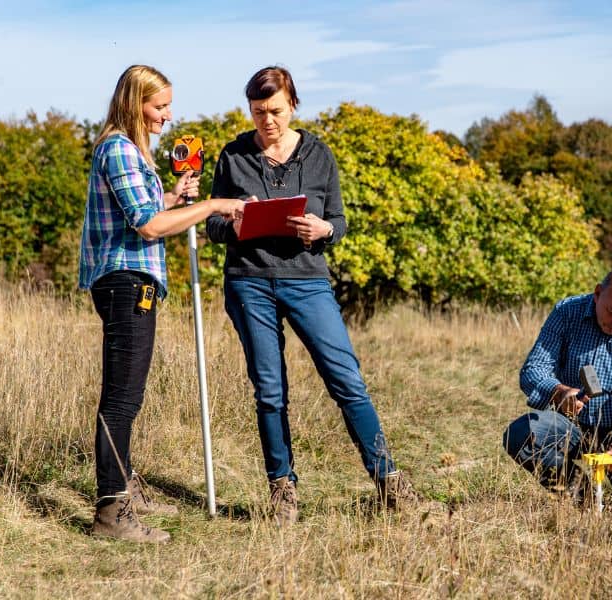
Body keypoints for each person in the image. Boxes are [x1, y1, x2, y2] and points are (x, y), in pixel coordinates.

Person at [205, 65, 415, 525]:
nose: (267, 121)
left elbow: (338, 221)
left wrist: (323, 230)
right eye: (258, 112)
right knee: (269, 389)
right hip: (249, 281)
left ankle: (390, 482)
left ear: (293, 104)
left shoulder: (320, 155)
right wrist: (235, 223)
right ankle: (283, 490)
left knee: (346, 379)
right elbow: (213, 225)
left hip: (307, 280)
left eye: (275, 111)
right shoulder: (233, 156)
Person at [79, 65, 244, 543]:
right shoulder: (119, 149)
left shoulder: (129, 153)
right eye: (159, 106)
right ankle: (111, 511)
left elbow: (148, 214)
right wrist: (213, 206)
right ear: (135, 104)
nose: (167, 116)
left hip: (130, 280)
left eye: (169, 105)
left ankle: (125, 487)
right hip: (126, 282)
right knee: (122, 398)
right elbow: (148, 228)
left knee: (127, 395)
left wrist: (173, 197)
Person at [503, 267, 612, 505]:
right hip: (570, 426)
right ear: (598, 294)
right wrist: (558, 392)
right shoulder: (567, 312)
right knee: (521, 434)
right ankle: (583, 499)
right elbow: (533, 370)